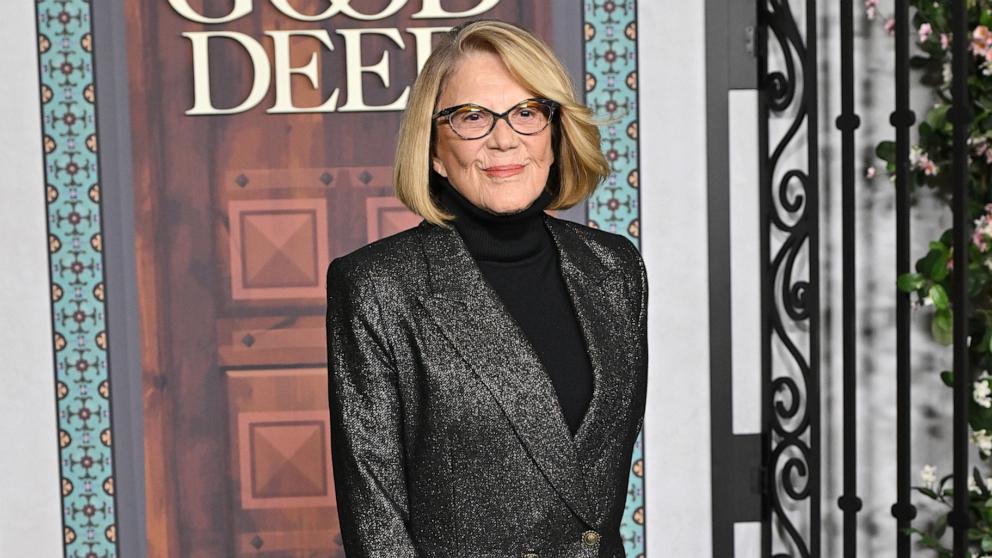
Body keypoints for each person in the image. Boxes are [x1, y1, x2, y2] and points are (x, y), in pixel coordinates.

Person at [325, 19, 648, 558]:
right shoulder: (377, 287)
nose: (505, 138)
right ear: (433, 149)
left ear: (555, 130)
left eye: (527, 112)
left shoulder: (614, 268)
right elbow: (376, 525)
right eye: (473, 116)